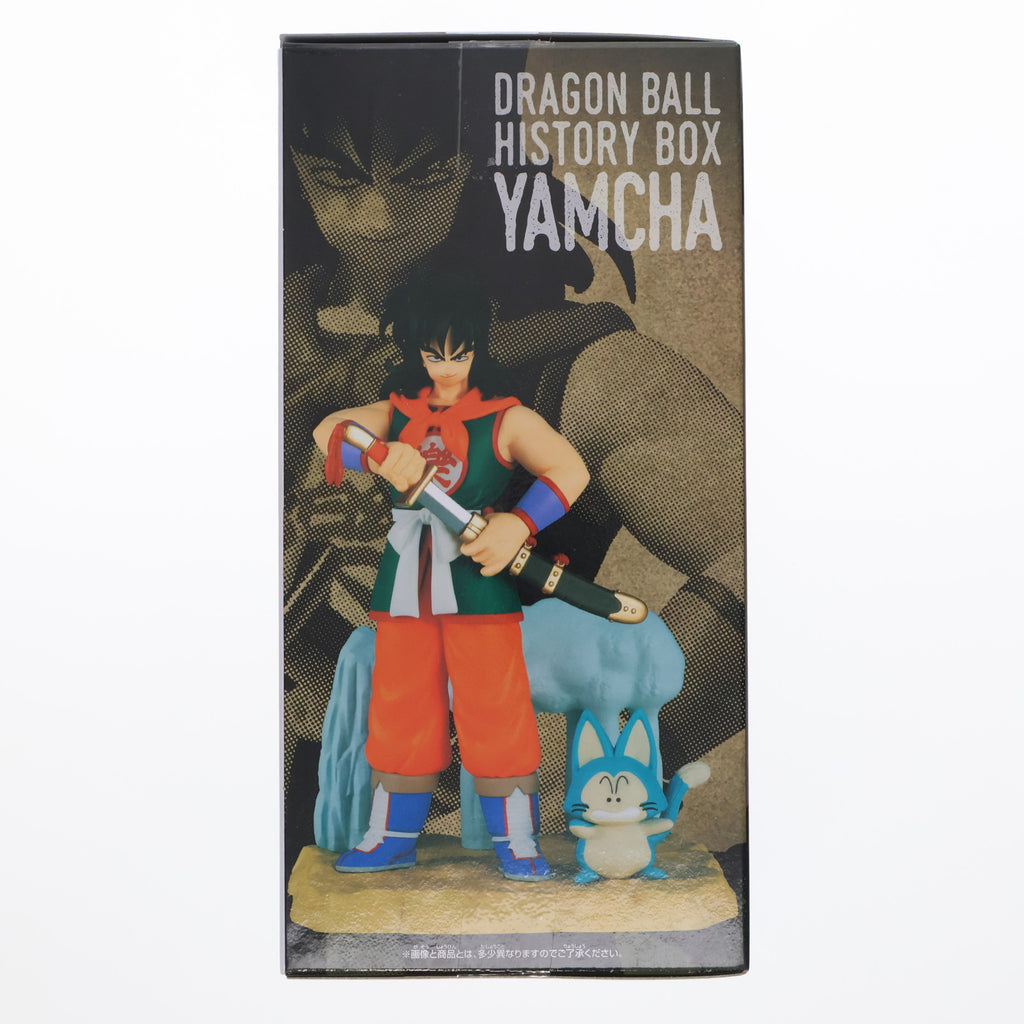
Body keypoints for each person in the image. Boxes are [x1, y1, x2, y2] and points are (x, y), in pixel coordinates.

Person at [281, 43, 745, 868]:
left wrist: (607, 755)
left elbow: (768, 549)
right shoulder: (249, 346)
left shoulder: (563, 377)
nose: (380, 218)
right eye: (337, 176)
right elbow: (338, 432)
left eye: (422, 175)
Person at [312, 273, 589, 880]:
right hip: (405, 582)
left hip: (477, 577)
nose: (446, 368)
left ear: (477, 349)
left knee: (495, 705)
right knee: (401, 705)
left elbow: (570, 469)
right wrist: (380, 455)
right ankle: (390, 836)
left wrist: (518, 523)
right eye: (433, 354)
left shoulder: (506, 417)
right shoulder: (396, 413)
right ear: (416, 352)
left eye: (458, 354)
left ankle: (517, 839)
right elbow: (329, 431)